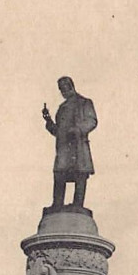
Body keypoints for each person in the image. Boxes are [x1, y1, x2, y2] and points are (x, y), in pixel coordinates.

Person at [42, 76, 97, 210]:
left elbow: (92, 121)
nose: (63, 92)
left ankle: (78, 205)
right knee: (59, 173)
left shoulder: (84, 102)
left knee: (80, 174)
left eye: (64, 88)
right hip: (63, 148)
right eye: (61, 89)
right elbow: (58, 131)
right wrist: (48, 121)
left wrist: (78, 129)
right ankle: (57, 204)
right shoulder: (62, 108)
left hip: (77, 145)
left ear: (71, 86)